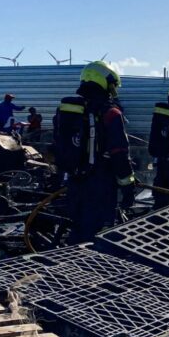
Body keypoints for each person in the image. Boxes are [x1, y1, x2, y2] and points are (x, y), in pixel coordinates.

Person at [54, 61, 135, 244]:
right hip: (101, 185)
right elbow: (119, 153)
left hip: (75, 182)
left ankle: (68, 265)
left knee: (77, 228)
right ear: (104, 82)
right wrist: (128, 185)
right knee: (96, 235)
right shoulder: (111, 113)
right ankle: (86, 269)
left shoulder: (68, 110)